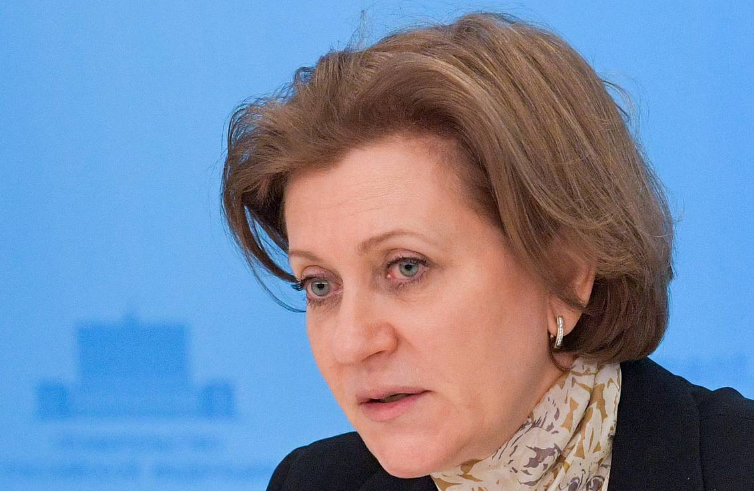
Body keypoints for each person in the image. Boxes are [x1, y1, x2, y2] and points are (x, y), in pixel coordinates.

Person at [221, 11, 754, 491]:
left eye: (406, 267)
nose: (351, 343)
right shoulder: (313, 482)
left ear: (566, 275)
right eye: (320, 285)